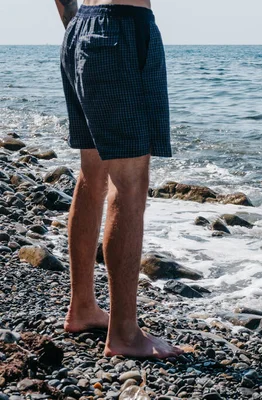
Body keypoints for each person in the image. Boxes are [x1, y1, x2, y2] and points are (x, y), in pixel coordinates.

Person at [54, 0, 182, 358]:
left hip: (82, 29)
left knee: (92, 174)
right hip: (120, 30)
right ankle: (124, 333)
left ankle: (82, 307)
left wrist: (76, 24)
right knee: (129, 184)